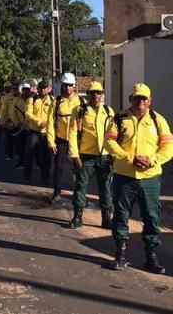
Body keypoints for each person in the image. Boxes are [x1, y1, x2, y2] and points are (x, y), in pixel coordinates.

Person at [105, 83, 173, 274]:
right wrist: (129, 158)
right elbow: (109, 142)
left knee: (152, 216)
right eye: (137, 98)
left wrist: (152, 160)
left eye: (144, 98)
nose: (140, 101)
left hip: (150, 177)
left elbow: (168, 146)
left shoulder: (157, 120)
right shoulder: (119, 118)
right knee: (121, 214)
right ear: (131, 99)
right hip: (124, 176)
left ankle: (151, 256)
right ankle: (120, 253)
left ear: (150, 100)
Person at [67, 81, 114, 229]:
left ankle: (106, 217)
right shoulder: (79, 110)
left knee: (105, 187)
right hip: (85, 156)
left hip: (104, 156)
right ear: (87, 94)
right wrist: (74, 155)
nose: (95, 95)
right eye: (92, 92)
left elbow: (113, 135)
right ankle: (77, 216)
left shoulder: (108, 111)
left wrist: (114, 155)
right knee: (80, 186)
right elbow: (73, 133)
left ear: (102, 95)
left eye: (98, 93)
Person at [48, 72, 84, 203]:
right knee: (59, 167)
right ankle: (57, 192)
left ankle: (78, 193)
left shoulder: (80, 101)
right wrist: (51, 142)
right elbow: (51, 123)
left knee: (78, 167)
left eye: (70, 85)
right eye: (65, 85)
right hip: (61, 138)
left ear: (74, 86)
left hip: (77, 139)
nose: (67, 88)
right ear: (62, 86)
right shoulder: (56, 102)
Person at [24, 80, 54, 184]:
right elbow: (28, 114)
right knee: (29, 153)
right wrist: (39, 122)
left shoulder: (52, 101)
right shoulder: (32, 100)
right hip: (34, 130)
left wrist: (47, 123)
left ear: (48, 89)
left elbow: (55, 116)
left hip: (47, 132)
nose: (42, 90)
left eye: (45, 88)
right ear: (37, 89)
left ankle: (45, 176)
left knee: (47, 155)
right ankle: (27, 175)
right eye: (41, 88)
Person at [12, 83, 31, 169]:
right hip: (22, 127)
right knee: (21, 146)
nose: (26, 91)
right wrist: (17, 123)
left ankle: (38, 164)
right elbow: (13, 112)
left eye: (27, 89)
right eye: (24, 90)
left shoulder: (33, 99)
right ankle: (21, 163)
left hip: (32, 127)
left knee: (35, 147)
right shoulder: (17, 100)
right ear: (21, 90)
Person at [0, 84, 19, 161]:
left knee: (18, 139)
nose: (15, 90)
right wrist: (2, 121)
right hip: (9, 121)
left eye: (16, 88)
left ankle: (18, 153)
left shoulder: (20, 97)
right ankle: (8, 154)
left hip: (19, 122)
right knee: (9, 139)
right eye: (13, 88)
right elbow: (3, 110)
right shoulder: (7, 98)